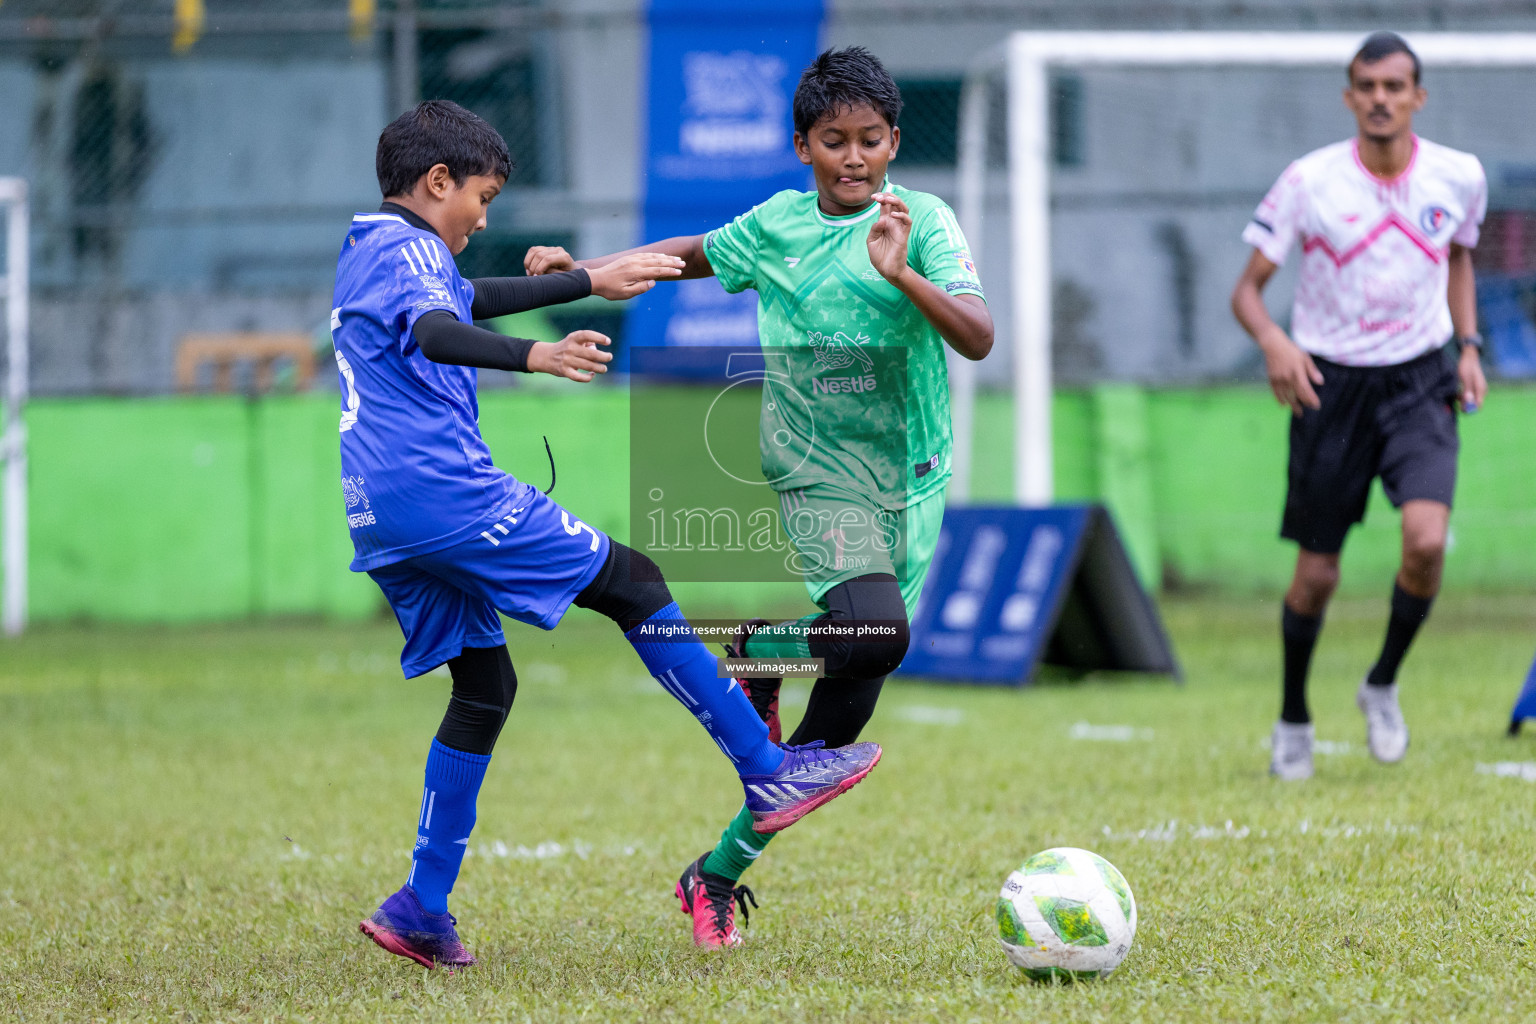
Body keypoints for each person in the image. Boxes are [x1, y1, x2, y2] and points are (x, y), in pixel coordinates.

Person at [332, 100, 883, 970]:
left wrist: (591, 278)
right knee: (633, 580)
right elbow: (440, 330)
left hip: (381, 508)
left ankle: (420, 908)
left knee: (483, 689)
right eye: (483, 196)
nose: (485, 216)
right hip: (442, 492)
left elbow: (466, 299)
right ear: (438, 182)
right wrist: (536, 356)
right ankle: (762, 767)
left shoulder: (373, 246)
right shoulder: (410, 251)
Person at [526, 46, 994, 947]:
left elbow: (976, 337)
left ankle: (716, 872)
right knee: (881, 633)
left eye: (869, 140)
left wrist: (902, 273)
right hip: (816, 465)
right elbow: (686, 256)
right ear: (802, 146)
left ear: (894, 140)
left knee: (838, 721)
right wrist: (583, 268)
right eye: (833, 141)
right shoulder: (778, 226)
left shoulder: (923, 221)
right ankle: (759, 647)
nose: (854, 158)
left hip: (914, 472)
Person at [1230, 32, 1488, 781]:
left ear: (1417, 96)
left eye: (1394, 86)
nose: (1381, 98)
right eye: (1366, 86)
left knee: (1428, 543)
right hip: (1331, 386)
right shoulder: (1310, 182)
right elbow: (1246, 290)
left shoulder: (1458, 175)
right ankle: (1293, 716)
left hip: (1420, 381)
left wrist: (1468, 345)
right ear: (1350, 98)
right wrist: (1275, 343)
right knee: (1317, 577)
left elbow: (1460, 255)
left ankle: (1381, 682)